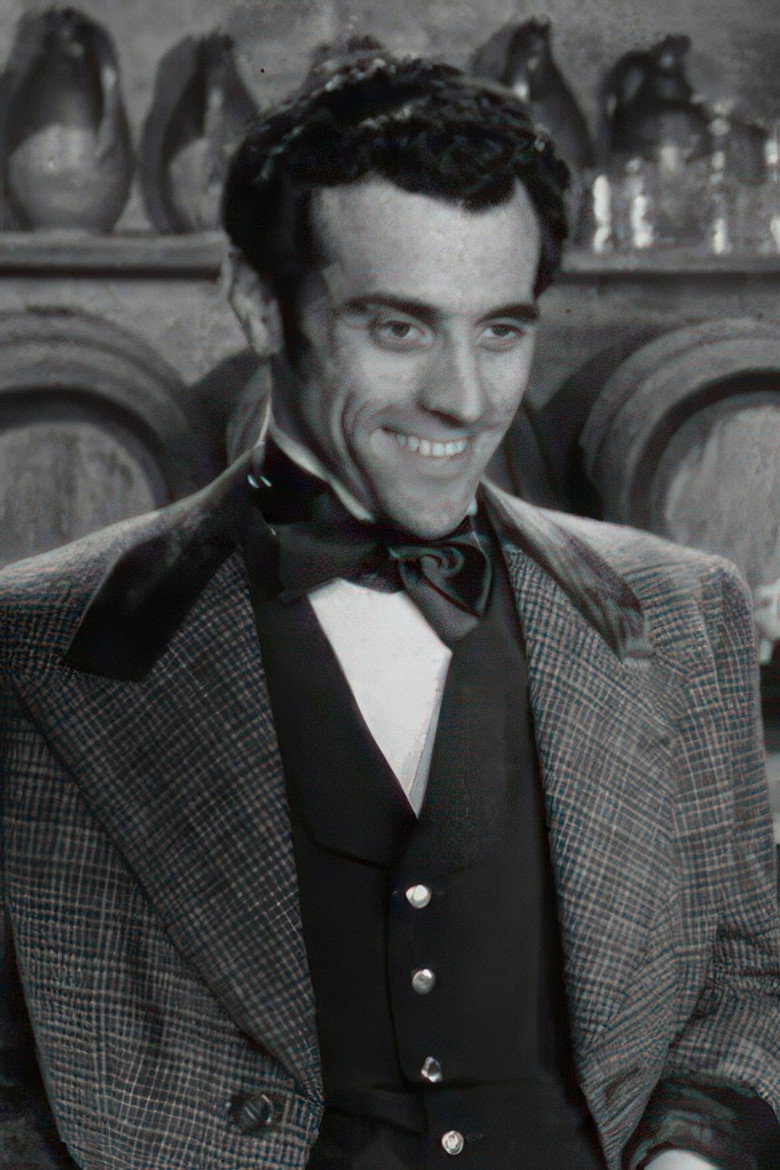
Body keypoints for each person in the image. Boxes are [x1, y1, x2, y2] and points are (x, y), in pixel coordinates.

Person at [1, 39, 779, 1170]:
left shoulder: (682, 610)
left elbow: (746, 983)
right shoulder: (34, 644)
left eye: (501, 329)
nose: (463, 399)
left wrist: (691, 1159)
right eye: (399, 328)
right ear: (257, 304)